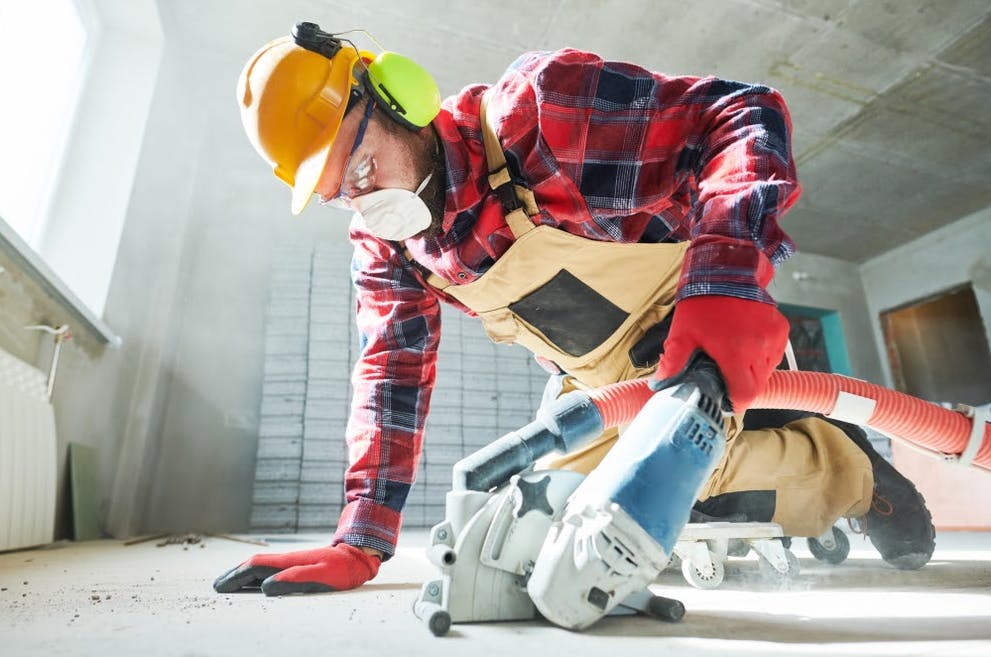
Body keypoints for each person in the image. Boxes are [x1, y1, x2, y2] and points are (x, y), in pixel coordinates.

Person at [214, 23, 935, 597]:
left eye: (363, 167)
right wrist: (361, 539)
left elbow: (741, 113)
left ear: (399, 96)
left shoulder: (535, 118)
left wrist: (725, 278)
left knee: (672, 478)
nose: (366, 203)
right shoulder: (389, 246)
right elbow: (390, 378)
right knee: (548, 512)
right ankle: (789, 451)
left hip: (697, 328)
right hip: (592, 379)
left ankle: (854, 474)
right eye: (340, 193)